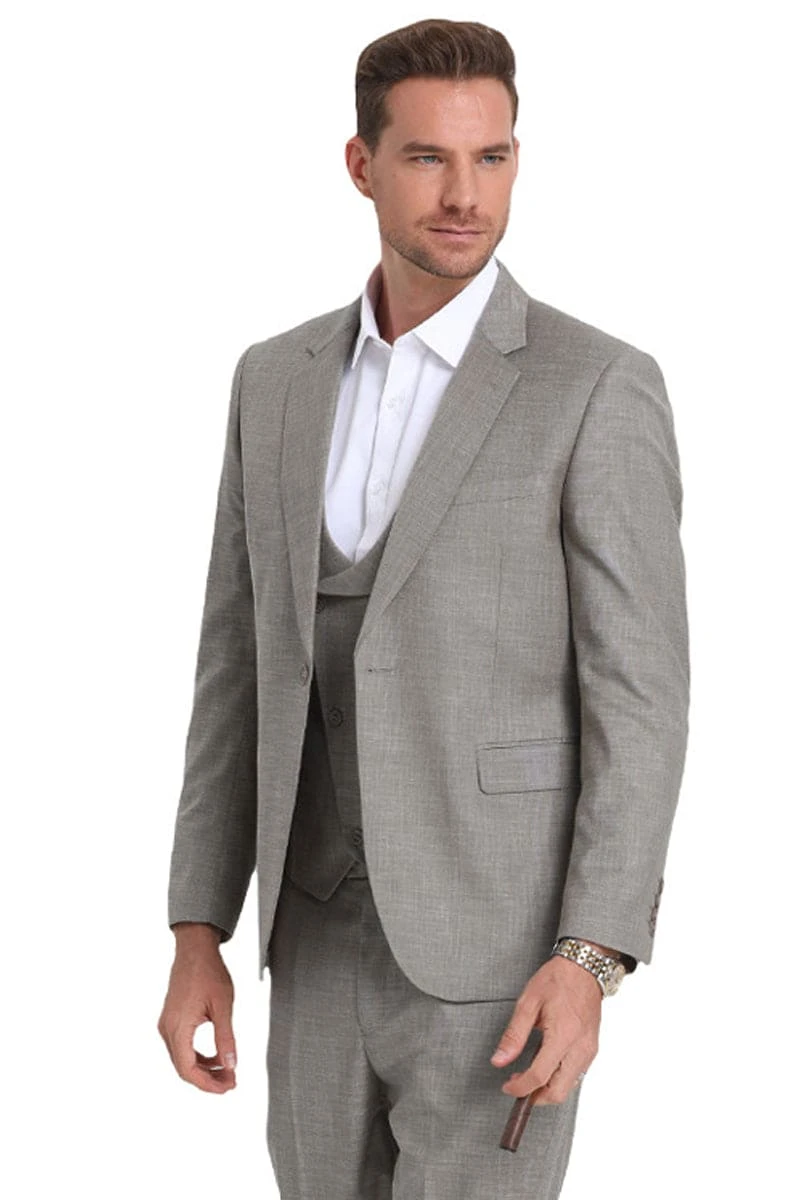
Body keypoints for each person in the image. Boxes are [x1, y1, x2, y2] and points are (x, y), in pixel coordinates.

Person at [157, 17, 690, 1199]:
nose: (464, 194)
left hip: (500, 958)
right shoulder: (273, 380)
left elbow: (640, 702)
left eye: (490, 158)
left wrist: (590, 958)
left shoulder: (595, 386)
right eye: (426, 158)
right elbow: (233, 669)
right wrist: (199, 929)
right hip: (311, 942)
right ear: (361, 165)